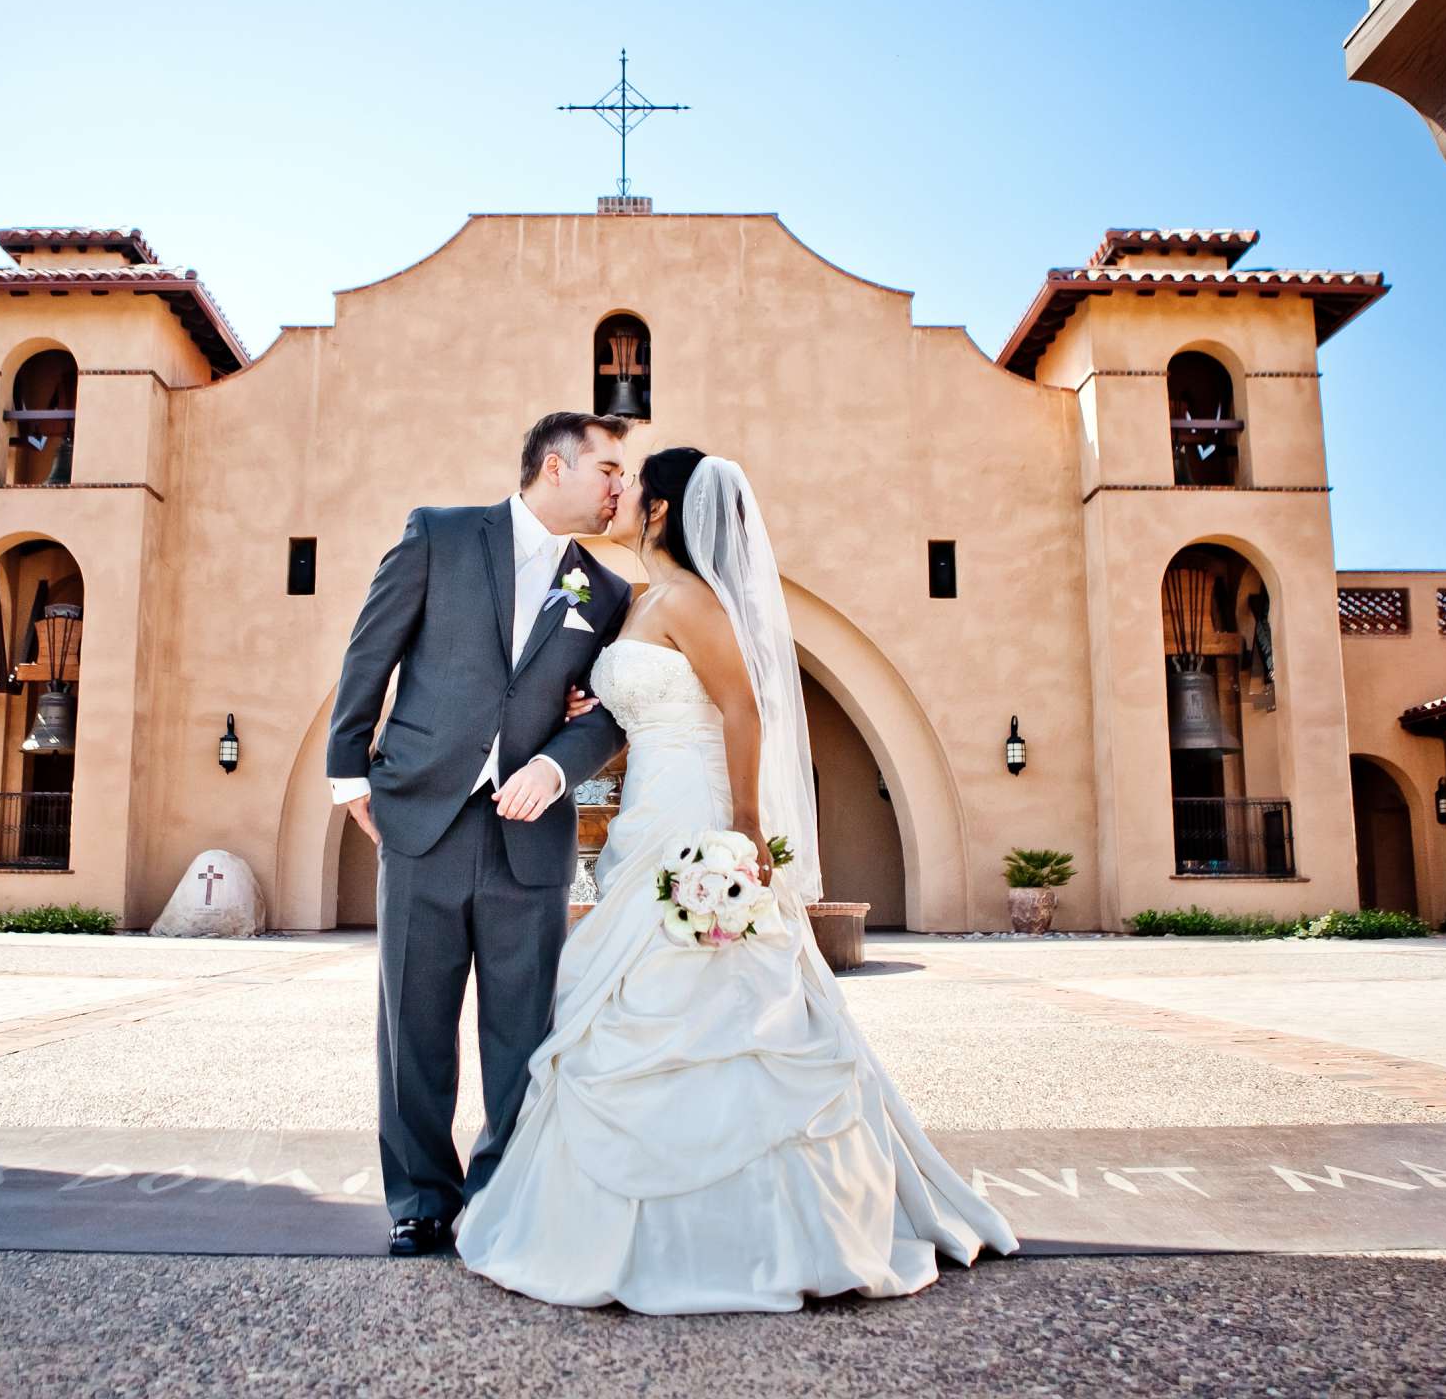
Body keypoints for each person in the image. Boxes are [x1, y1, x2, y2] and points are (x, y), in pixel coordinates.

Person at [453, 446, 1017, 1312]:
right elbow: (637, 699)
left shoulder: (692, 600)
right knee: (632, 993)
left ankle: (753, 1227)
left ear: (664, 511)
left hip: (694, 813)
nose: (621, 492)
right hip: (645, 813)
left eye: (634, 485)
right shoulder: (642, 602)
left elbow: (742, 707)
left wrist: (745, 828)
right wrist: (591, 708)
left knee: (712, 992)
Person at [327, 412, 633, 1257]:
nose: (619, 486)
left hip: (527, 836)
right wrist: (349, 770)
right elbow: (370, 652)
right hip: (421, 813)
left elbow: (610, 710)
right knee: (413, 1018)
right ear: (553, 465)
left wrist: (560, 765)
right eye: (607, 467)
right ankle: (421, 1198)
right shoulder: (440, 535)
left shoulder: (605, 594)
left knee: (521, 1025)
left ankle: (503, 1192)